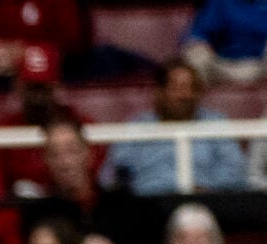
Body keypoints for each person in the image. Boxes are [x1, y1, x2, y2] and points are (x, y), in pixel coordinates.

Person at [100, 62, 249, 195]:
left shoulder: (215, 123)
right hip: (149, 205)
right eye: (177, 88)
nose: (185, 95)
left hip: (204, 202)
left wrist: (209, 189)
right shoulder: (138, 126)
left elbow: (235, 170)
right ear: (160, 92)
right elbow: (111, 175)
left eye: (191, 88)